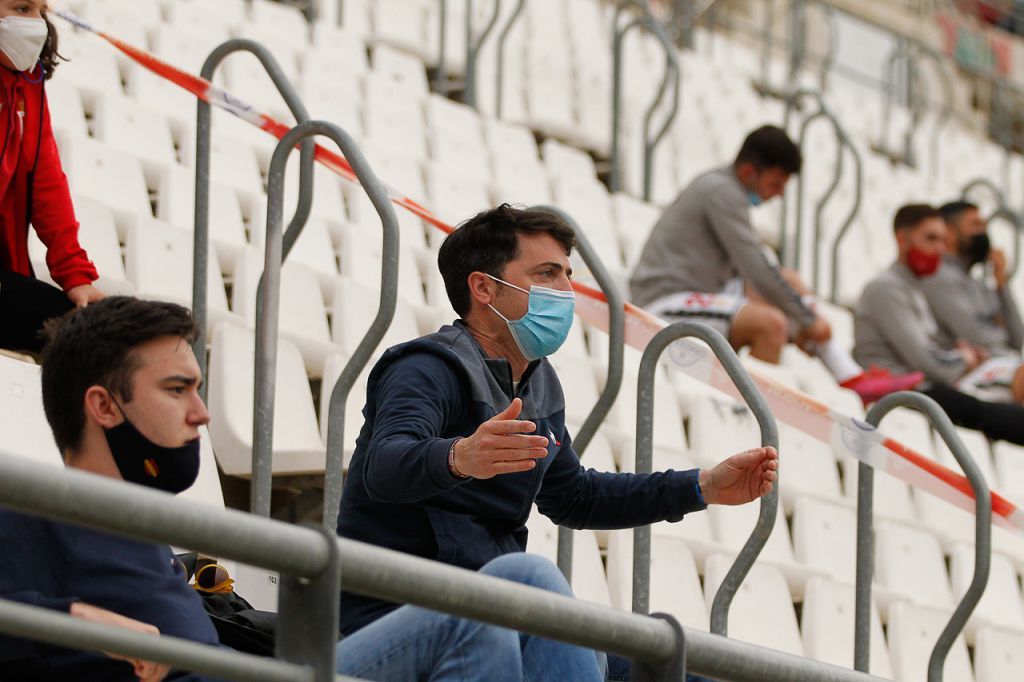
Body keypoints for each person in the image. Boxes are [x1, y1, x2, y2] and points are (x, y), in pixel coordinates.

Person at [0, 297, 625, 682]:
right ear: (103, 407)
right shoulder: (35, 514)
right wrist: (66, 620)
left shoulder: (148, 541)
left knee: (567, 606)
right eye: (176, 390)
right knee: (492, 607)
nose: (202, 413)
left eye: (198, 387)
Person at [336, 204, 779, 678]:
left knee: (662, 663)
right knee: (527, 580)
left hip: (494, 620)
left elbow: (575, 497)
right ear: (483, 287)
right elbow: (383, 466)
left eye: (568, 275)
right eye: (547, 274)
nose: (566, 291)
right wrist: (459, 457)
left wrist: (702, 486)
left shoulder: (537, 384)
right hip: (391, 626)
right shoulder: (426, 368)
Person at [628, 125, 922, 404]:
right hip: (661, 299)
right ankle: (754, 423)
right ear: (748, 172)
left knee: (789, 281)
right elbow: (755, 267)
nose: (779, 193)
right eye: (776, 183)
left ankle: (851, 377)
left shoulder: (726, 188)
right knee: (771, 324)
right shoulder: (721, 192)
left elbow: (761, 273)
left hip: (701, 288)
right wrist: (807, 320)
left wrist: (806, 321)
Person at [853, 204, 1024, 445]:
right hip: (898, 394)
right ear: (902, 239)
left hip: (924, 390)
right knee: (987, 412)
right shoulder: (887, 289)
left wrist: (957, 356)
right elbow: (928, 362)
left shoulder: (913, 288)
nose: (940, 249)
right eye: (931, 239)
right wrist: (963, 358)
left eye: (943, 241)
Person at [0, 0, 103, 355]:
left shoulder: (27, 83)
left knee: (103, 334)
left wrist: (76, 275)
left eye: (41, 12)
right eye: (23, 8)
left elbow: (47, 180)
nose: (38, 26)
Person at [918, 200, 1024, 402]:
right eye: (975, 225)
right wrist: (997, 329)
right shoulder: (937, 276)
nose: (983, 233)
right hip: (967, 377)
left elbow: (1018, 339)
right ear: (948, 232)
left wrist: (1002, 285)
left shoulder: (979, 284)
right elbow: (977, 337)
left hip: (1006, 368)